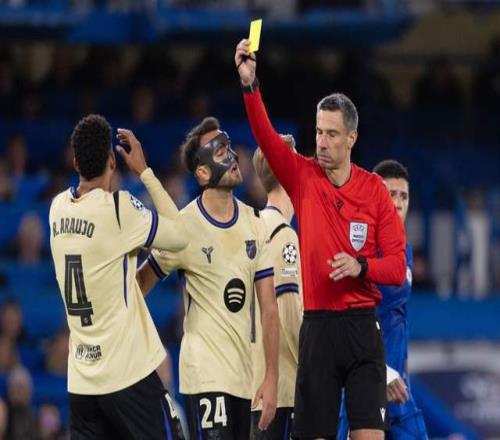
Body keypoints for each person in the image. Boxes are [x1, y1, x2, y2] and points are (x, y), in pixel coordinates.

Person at [235, 40, 407, 440]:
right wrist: (250, 85)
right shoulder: (303, 177)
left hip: (362, 329)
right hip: (318, 330)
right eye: (318, 132)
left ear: (352, 138)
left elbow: (397, 268)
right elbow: (265, 137)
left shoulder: (374, 190)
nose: (322, 141)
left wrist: (360, 265)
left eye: (332, 134)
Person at [136, 116, 279, 439]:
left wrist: (271, 378)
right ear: (202, 173)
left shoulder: (255, 223)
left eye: (229, 147)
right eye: (220, 151)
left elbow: (269, 309)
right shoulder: (184, 227)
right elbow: (139, 285)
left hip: (246, 377)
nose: (232, 157)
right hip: (204, 375)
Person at [49, 114, 187, 439]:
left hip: (82, 383)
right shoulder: (118, 209)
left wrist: (145, 273)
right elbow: (181, 235)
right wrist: (145, 171)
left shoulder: (57, 209)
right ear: (112, 159)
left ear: (75, 162)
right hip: (127, 377)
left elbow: (109, 271)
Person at [337, 160, 428, 439]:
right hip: (364, 387)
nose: (398, 203)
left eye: (404, 196)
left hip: (399, 393)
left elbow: (397, 320)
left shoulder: (404, 250)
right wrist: (382, 371)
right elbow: (345, 322)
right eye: (391, 194)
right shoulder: (358, 251)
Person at [250, 135, 303, 440]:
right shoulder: (284, 236)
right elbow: (289, 314)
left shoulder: (252, 228)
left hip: (251, 385)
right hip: (282, 392)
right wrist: (317, 369)